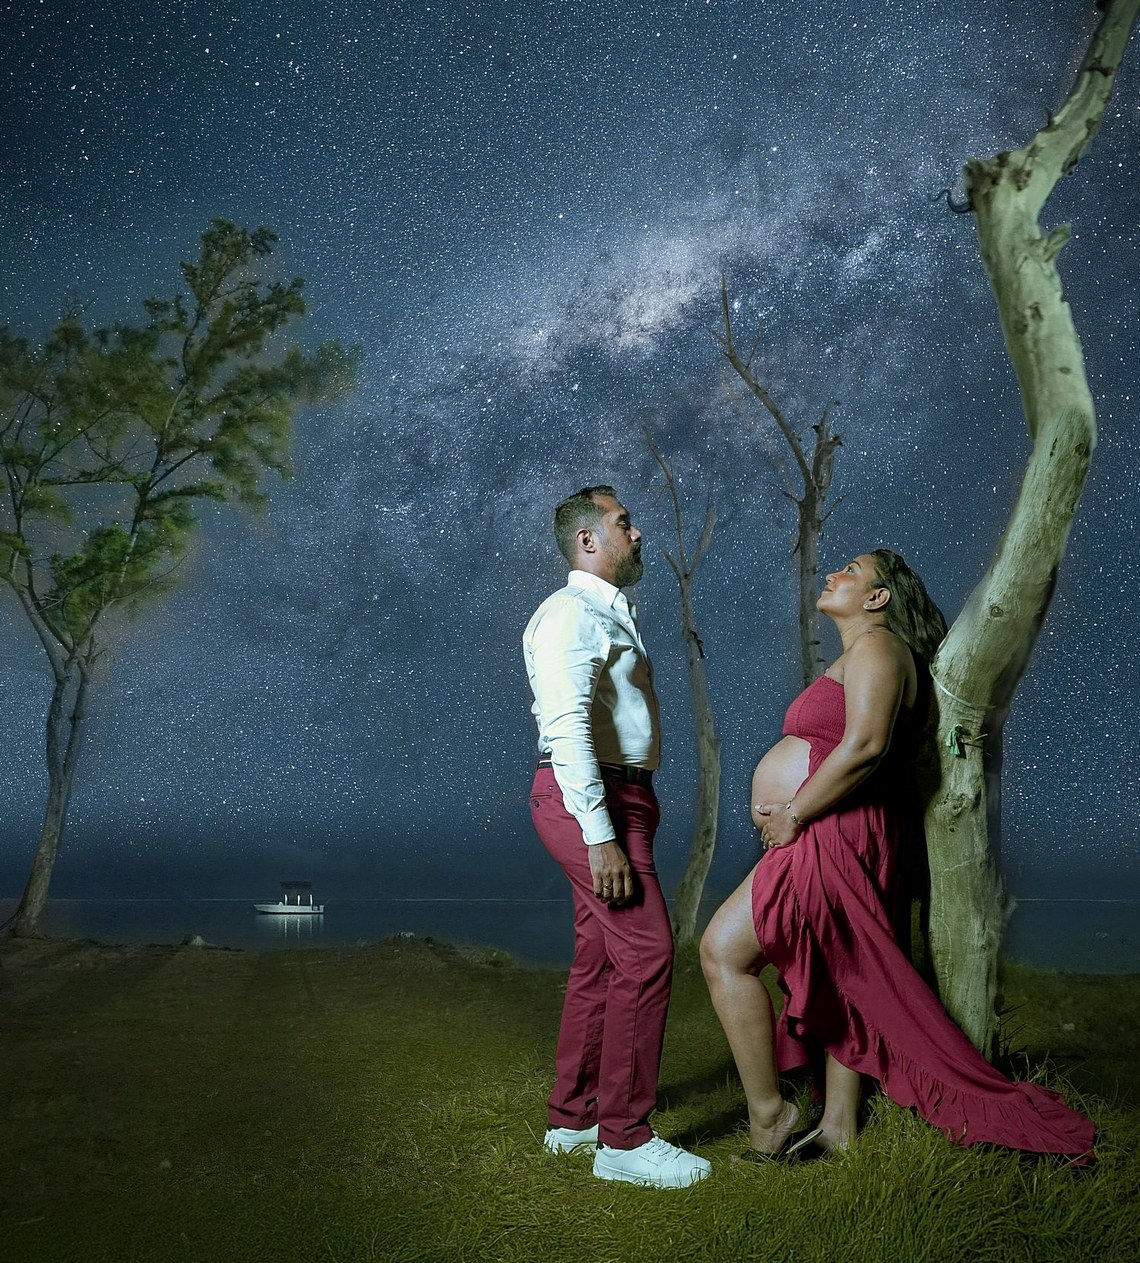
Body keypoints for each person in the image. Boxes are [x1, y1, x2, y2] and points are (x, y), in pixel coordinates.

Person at [700, 550, 1095, 1163]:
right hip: (828, 827)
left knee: (723, 950)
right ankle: (838, 1130)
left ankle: (771, 1117)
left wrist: (795, 812)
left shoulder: (879, 649)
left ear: (879, 598)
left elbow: (864, 745)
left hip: (832, 828)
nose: (834, 574)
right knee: (839, 974)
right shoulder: (862, 653)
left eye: (851, 571)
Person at [523, 484, 710, 1188]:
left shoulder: (607, 613)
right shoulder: (570, 614)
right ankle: (625, 1142)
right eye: (624, 523)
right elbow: (566, 726)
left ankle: (573, 1119)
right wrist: (600, 834)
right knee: (648, 949)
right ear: (588, 541)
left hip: (621, 796)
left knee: (603, 955)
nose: (638, 533)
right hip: (590, 798)